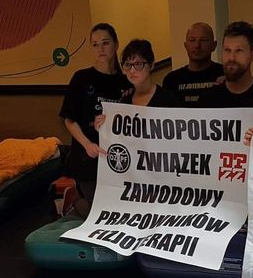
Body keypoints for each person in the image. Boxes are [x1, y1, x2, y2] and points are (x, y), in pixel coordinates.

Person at [58, 23, 132, 203]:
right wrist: (87, 144)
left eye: (105, 43)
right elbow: (69, 119)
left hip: (118, 159)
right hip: (88, 159)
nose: (101, 49)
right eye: (95, 44)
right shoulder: (81, 78)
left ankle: (75, 202)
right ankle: (74, 203)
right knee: (97, 207)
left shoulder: (127, 82)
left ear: (116, 44)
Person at [162, 22, 224, 105]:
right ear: (185, 46)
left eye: (203, 40)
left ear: (214, 45)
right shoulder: (172, 80)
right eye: (192, 40)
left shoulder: (225, 75)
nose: (197, 45)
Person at [120, 39, 180, 108]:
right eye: (127, 65)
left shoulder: (167, 99)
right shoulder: (125, 101)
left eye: (138, 64)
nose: (132, 70)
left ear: (151, 65)